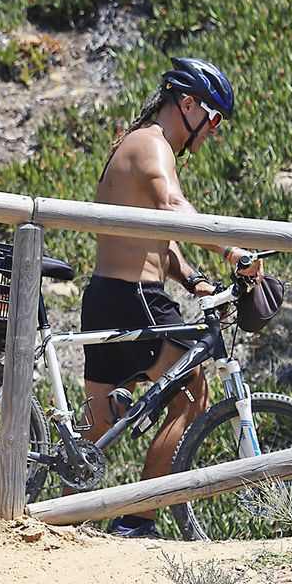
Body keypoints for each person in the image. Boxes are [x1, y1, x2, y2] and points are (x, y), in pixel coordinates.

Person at [79, 56, 263, 538]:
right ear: (188, 104)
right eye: (214, 118)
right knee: (193, 394)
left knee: (95, 432)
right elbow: (173, 208)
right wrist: (231, 250)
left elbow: (160, 240)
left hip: (106, 293)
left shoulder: (134, 143)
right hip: (136, 296)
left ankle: (45, 507)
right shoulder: (152, 145)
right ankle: (138, 518)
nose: (213, 132)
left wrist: (195, 280)